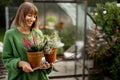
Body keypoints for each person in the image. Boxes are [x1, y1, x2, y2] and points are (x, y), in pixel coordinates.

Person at [2, 2, 53, 80]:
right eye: (29, 15)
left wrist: (46, 65)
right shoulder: (10, 35)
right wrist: (20, 63)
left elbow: (43, 56)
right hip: (20, 77)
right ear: (21, 15)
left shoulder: (38, 33)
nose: (32, 19)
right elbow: (6, 60)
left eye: (35, 16)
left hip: (39, 77)